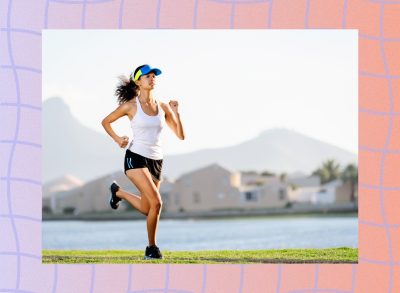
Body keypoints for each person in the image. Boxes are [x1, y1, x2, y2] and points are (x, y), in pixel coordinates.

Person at [101, 64, 185, 259]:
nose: (152, 78)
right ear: (138, 81)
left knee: (148, 209)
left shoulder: (163, 106)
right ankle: (151, 248)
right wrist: (117, 139)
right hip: (135, 158)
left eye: (154, 75)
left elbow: (180, 135)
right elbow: (105, 121)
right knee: (157, 203)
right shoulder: (130, 106)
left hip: (156, 161)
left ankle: (118, 192)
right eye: (147, 76)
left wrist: (176, 112)